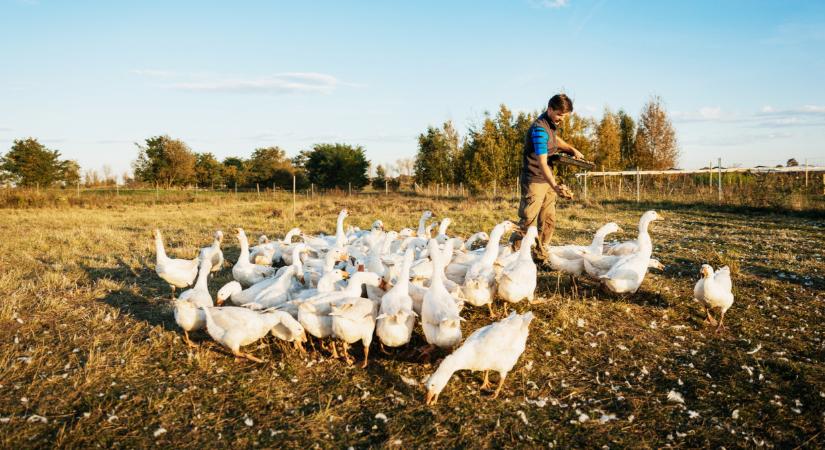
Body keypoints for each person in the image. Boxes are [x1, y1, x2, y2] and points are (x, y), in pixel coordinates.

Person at [510, 94, 584, 262]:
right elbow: (542, 162)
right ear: (550, 109)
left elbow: (555, 140)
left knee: (548, 219)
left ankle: (540, 256)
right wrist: (556, 186)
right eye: (559, 114)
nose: (562, 119)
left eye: (564, 116)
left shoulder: (550, 125)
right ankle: (513, 256)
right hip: (535, 180)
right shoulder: (539, 129)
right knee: (528, 220)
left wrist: (571, 149)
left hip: (547, 179)